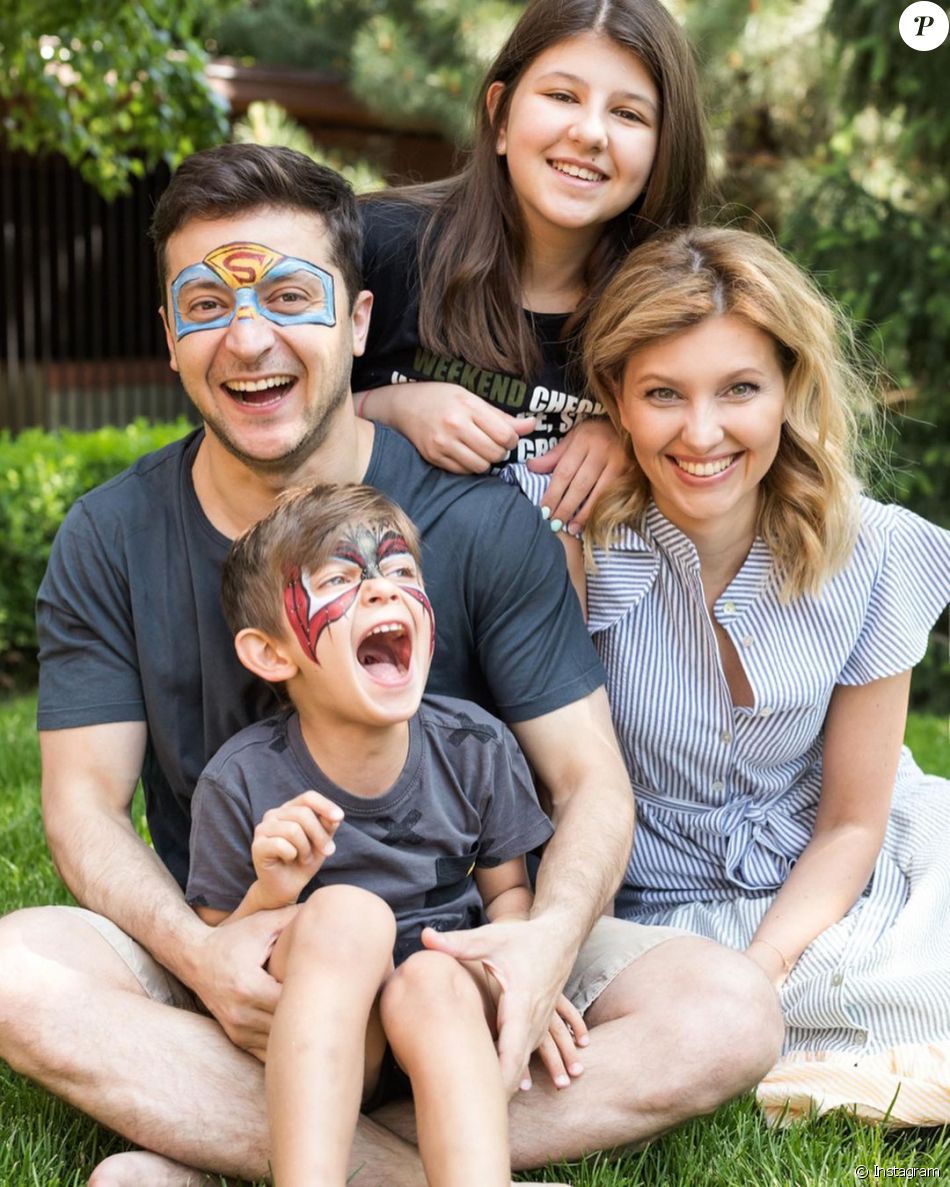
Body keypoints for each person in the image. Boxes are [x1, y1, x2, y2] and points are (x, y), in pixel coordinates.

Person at [0, 145, 781, 1187]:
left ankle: (252, 1153)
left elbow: (590, 778)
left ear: (359, 323)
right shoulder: (112, 533)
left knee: (725, 1012)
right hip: (243, 944)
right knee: (13, 972)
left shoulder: (480, 524)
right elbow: (81, 807)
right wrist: (202, 958)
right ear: (170, 339)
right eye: (205, 304)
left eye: (288, 296)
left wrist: (542, 942)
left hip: (461, 962)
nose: (248, 339)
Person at [507, 225, 950, 1126]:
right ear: (614, 401)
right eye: (663, 393)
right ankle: (825, 1054)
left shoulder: (873, 549)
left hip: (820, 882)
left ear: (788, 387)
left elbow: (853, 821)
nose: (702, 433)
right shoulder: (567, 533)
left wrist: (764, 969)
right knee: (678, 1001)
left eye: (740, 389)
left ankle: (798, 1037)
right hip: (643, 899)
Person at [188, 481, 581, 1186]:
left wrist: (523, 975)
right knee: (347, 915)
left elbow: (508, 898)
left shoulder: (477, 746)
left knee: (431, 979)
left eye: (401, 572)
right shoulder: (240, 781)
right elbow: (217, 959)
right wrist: (273, 890)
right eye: (339, 579)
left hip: (448, 1012)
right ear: (273, 653)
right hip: (333, 1033)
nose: (382, 591)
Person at [353, 0, 709, 534]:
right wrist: (387, 408)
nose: (591, 134)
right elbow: (268, 413)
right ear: (500, 115)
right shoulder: (379, 243)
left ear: (666, 147)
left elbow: (728, 437)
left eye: (628, 114)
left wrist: (635, 436)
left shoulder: (677, 306)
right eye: (562, 96)